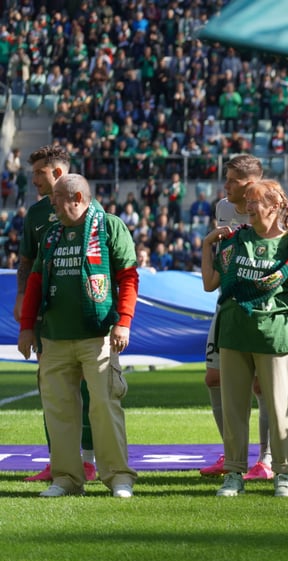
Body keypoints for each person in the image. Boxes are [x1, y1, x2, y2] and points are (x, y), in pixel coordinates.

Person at [18, 173, 139, 498]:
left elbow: (128, 276)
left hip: (96, 335)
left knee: (104, 406)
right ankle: (67, 478)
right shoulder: (52, 233)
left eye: (57, 197)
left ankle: (118, 477)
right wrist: (28, 326)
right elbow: (36, 280)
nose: (51, 203)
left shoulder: (110, 226)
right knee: (58, 409)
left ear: (77, 198)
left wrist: (124, 321)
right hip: (55, 336)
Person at [201, 178, 288, 497]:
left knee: (281, 408)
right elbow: (211, 284)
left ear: (275, 205)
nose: (248, 206)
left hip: (276, 336)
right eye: (248, 201)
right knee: (234, 408)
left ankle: (283, 474)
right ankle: (234, 473)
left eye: (254, 201)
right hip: (234, 333)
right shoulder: (234, 240)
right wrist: (205, 246)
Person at [15, 146, 97, 483]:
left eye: (39, 173)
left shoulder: (92, 211)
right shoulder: (35, 215)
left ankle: (90, 460)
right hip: (47, 317)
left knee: (89, 388)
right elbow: (26, 262)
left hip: (85, 316)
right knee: (50, 387)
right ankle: (58, 459)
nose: (33, 180)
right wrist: (22, 298)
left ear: (58, 174)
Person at [200, 155, 275, 481]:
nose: (226, 186)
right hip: (227, 302)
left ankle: (267, 460)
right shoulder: (223, 208)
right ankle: (233, 452)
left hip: (262, 306)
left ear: (250, 183)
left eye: (232, 180)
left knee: (263, 385)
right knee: (213, 378)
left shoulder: (274, 206)